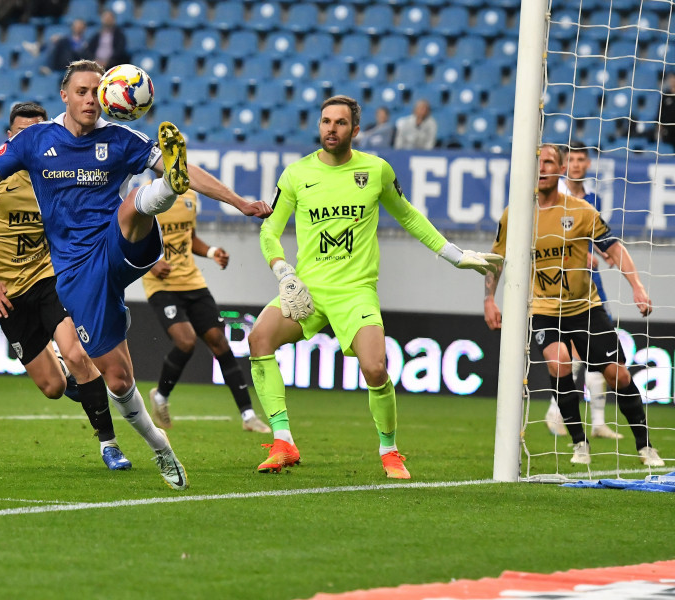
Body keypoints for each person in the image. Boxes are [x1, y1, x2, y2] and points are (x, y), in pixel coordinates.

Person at [0, 60, 271, 491]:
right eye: (83, 92)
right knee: (119, 378)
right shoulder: (35, 140)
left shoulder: (121, 139)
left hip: (118, 244)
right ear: (65, 96)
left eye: (97, 91)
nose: (91, 99)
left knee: (132, 205)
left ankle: (166, 188)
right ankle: (159, 446)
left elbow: (188, 169)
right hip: (74, 272)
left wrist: (238, 202)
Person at [247, 95, 502, 479]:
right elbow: (270, 229)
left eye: (340, 123)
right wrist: (282, 269)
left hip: (355, 292)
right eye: (326, 121)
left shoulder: (376, 170)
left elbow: (410, 217)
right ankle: (283, 441)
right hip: (308, 291)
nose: (331, 128)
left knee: (375, 367)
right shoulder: (296, 174)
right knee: (258, 339)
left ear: (356, 130)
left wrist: (454, 254)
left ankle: (389, 450)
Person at [0, 101, 132, 471]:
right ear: (11, 138)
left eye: (37, 132)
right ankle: (67, 372)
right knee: (53, 387)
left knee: (79, 354)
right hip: (5, 292)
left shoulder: (63, 173)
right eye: (21, 133)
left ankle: (109, 445)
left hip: (49, 277)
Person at [484, 143, 664, 467]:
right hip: (543, 309)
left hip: (585, 308)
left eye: (549, 162)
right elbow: (498, 259)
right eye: (537, 162)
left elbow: (614, 248)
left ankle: (645, 445)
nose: (542, 168)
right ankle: (580, 444)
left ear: (561, 169)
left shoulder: (581, 210)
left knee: (617, 376)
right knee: (559, 363)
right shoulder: (516, 215)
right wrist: (488, 299)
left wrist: (637, 286)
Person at [139, 185, 271, 434]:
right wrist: (152, 264)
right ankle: (161, 396)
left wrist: (211, 252)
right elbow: (130, 237)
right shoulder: (144, 195)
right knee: (186, 341)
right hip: (162, 286)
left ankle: (248, 415)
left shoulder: (189, 195)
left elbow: (188, 238)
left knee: (219, 342)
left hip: (193, 283)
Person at [541, 141, 622, 440]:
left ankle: (598, 421)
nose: (576, 164)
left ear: (587, 164)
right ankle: (556, 411)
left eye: (581, 159)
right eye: (571, 159)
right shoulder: (553, 195)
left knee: (597, 353)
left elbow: (596, 236)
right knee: (572, 351)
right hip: (560, 281)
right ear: (565, 164)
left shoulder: (593, 199)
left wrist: (605, 254)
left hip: (591, 280)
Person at [658, 72, 675, 151]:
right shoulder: (665, 94)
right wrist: (659, 124)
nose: (672, 81)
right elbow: (660, 111)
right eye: (671, 79)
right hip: (667, 130)